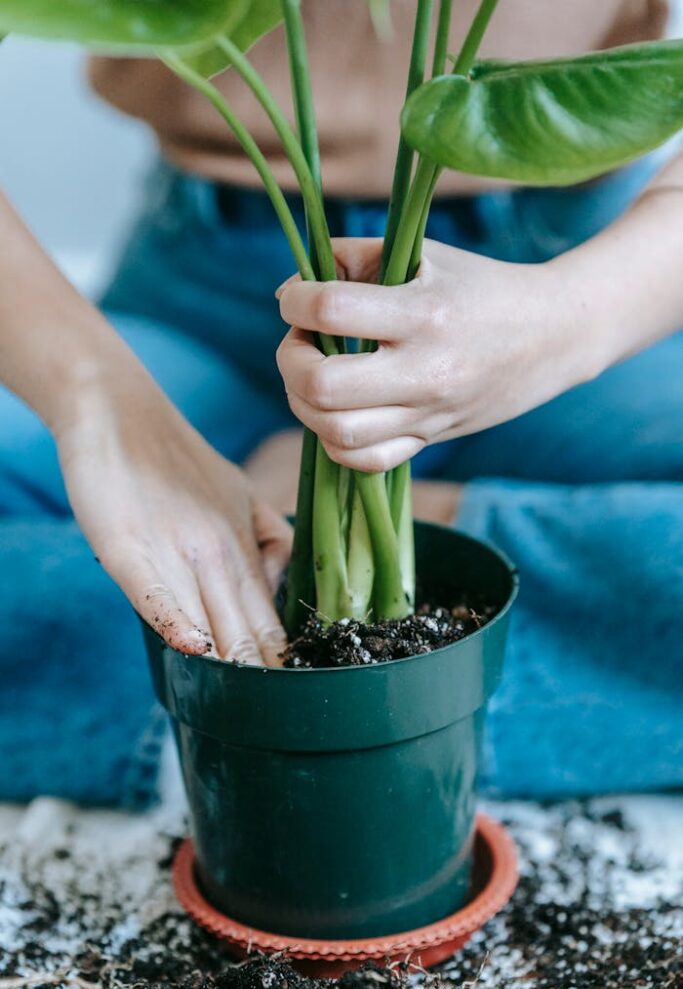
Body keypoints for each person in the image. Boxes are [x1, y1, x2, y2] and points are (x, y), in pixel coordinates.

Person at [1, 0, 681, 808]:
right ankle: (407, 716)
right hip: (213, 280)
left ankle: (225, 707)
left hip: (555, 284)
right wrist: (102, 405)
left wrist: (567, 321)